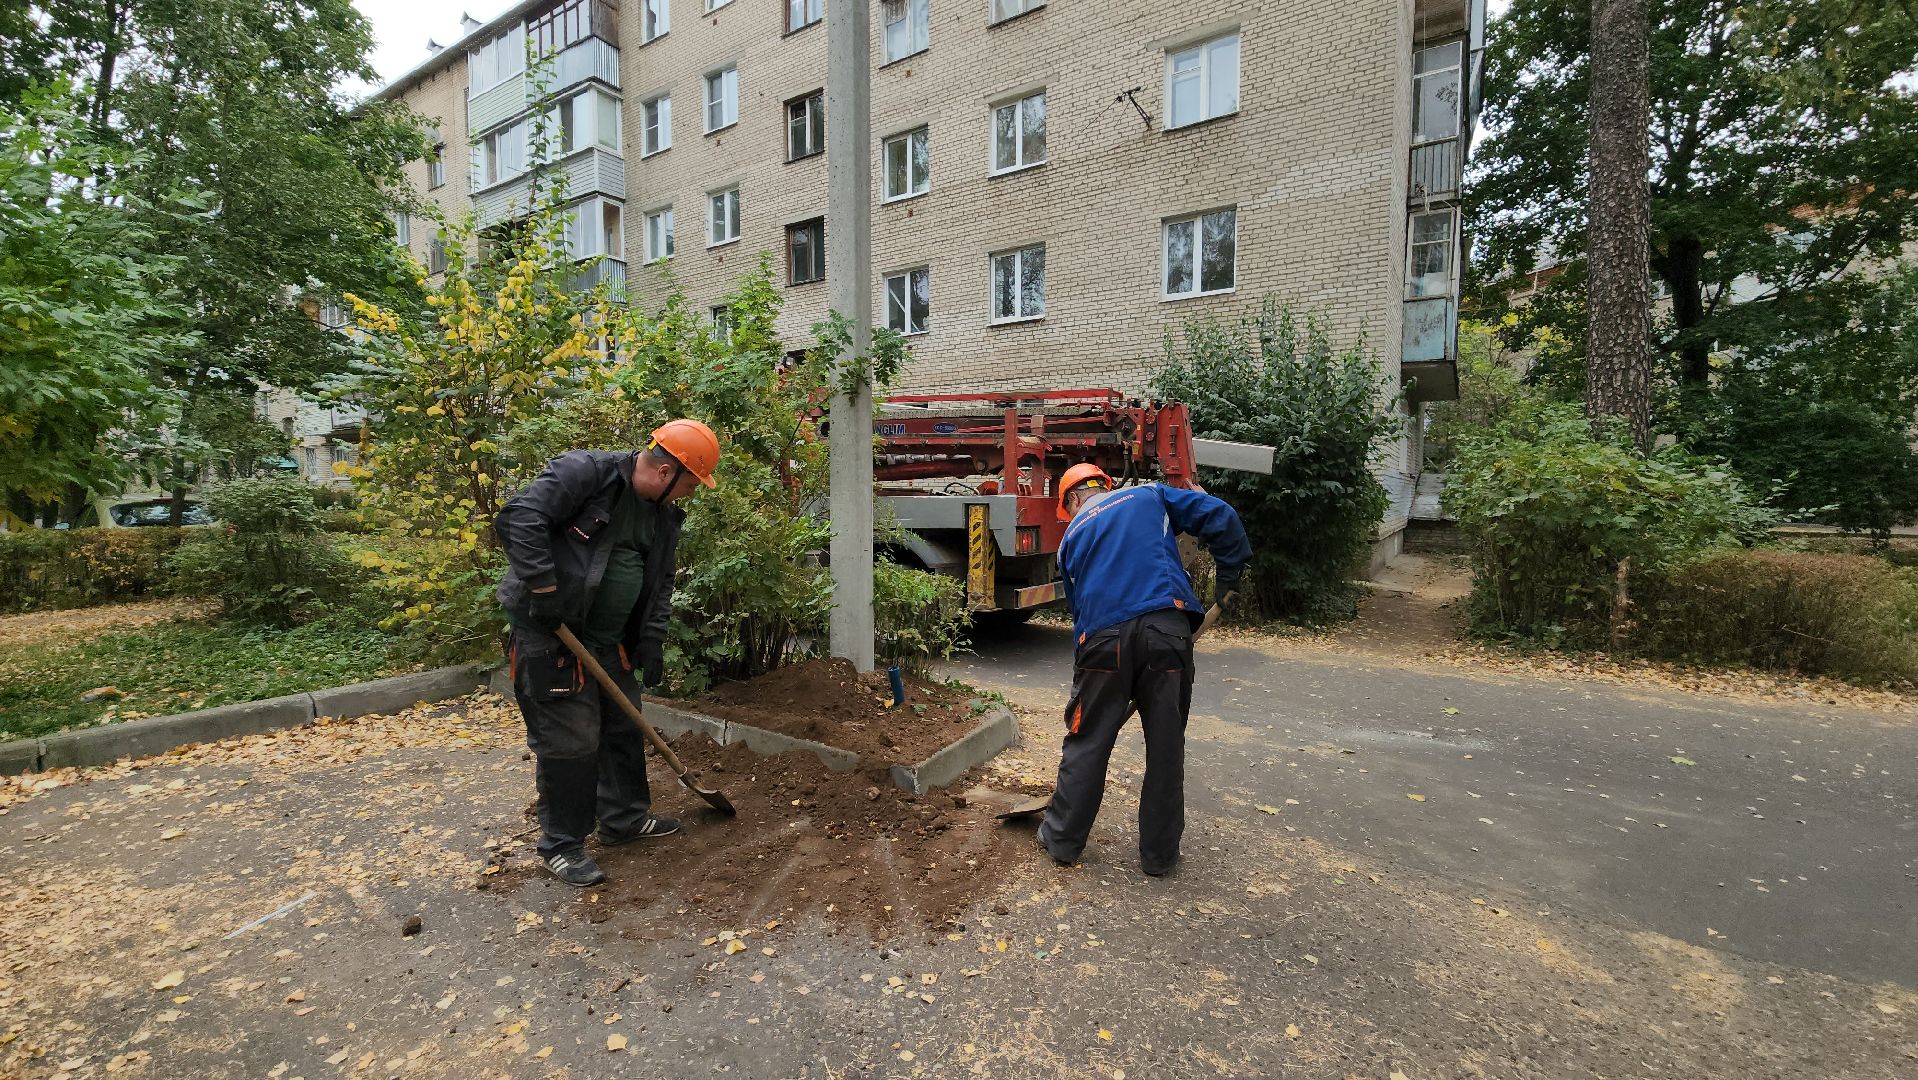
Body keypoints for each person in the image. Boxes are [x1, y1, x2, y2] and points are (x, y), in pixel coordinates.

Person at [494, 419, 721, 886]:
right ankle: (563, 844)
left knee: (622, 724)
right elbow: (520, 517)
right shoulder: (585, 474)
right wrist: (542, 584)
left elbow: (660, 585)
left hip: (608, 641)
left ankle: (624, 820)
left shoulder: (661, 517)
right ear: (666, 473)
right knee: (571, 740)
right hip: (551, 632)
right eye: (691, 485)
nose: (691, 495)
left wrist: (651, 639)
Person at [1037, 462, 1251, 877]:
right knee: (1166, 747)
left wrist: (1093, 686)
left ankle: (1061, 840)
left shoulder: (1070, 543)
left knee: (1087, 742)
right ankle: (1159, 856)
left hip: (1101, 643)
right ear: (1105, 486)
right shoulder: (1148, 496)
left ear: (1072, 500)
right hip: (1166, 632)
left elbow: (1081, 615)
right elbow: (1219, 514)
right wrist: (1228, 575)